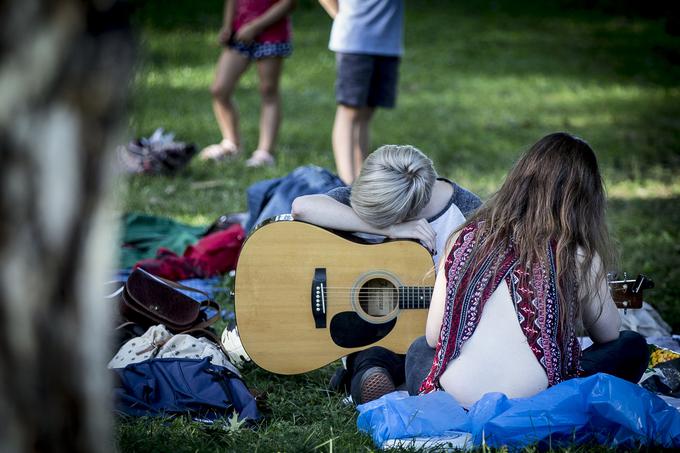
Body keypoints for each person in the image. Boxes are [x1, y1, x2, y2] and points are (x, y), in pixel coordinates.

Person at [404, 132, 649, 407]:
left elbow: (435, 336)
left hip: (454, 400)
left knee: (418, 351)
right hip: (538, 403)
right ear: (584, 201)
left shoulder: (462, 239)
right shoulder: (577, 255)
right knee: (631, 346)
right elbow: (608, 335)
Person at [291, 144, 481, 404]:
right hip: (372, 337)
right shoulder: (384, 188)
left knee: (433, 359)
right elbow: (302, 207)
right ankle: (374, 378)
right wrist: (388, 229)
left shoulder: (468, 217)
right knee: (371, 356)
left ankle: (383, 383)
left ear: (410, 210)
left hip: (433, 339)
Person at [199, 0, 296, 167]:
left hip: (271, 32)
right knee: (219, 89)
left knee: (268, 91)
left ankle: (265, 153)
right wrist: (227, 25)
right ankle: (231, 144)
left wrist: (255, 26)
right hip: (240, 32)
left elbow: (289, 3)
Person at [318, 0, 405, 184]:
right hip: (354, 42)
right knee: (349, 111)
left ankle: (361, 180)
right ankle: (346, 183)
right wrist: (340, 16)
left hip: (387, 44)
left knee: (366, 112)